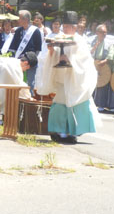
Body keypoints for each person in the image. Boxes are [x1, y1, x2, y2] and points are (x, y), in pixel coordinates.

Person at [35, 11, 99, 144]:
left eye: (68, 26)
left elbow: (84, 60)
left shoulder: (80, 40)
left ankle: (72, 132)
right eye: (64, 26)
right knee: (60, 104)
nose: (65, 28)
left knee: (75, 104)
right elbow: (51, 55)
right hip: (62, 78)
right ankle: (59, 130)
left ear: (74, 27)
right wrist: (52, 52)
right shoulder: (58, 38)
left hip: (75, 79)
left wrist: (69, 59)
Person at [8, 10, 43, 93]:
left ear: (25, 20)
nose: (18, 20)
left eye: (19, 18)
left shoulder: (35, 31)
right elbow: (13, 46)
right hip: (19, 60)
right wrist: (12, 57)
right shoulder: (18, 31)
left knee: (30, 82)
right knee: (17, 80)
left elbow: (38, 48)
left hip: (30, 60)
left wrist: (33, 59)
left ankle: (29, 99)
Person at [91, 24, 114, 111]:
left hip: (104, 65)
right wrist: (94, 48)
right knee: (91, 84)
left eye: (105, 32)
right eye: (102, 32)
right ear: (97, 32)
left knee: (103, 85)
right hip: (93, 63)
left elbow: (111, 54)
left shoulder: (109, 43)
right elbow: (88, 52)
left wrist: (105, 60)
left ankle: (101, 105)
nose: (104, 34)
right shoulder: (92, 41)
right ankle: (91, 103)